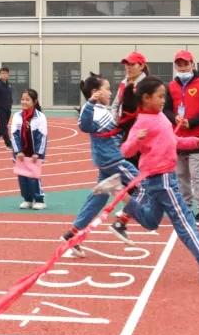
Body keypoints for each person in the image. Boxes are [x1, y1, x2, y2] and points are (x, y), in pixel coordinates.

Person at [112, 75, 199, 285]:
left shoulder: (161, 118)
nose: (163, 101)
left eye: (164, 96)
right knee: (185, 221)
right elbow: (125, 150)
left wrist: (196, 141)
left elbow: (174, 141)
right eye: (159, 96)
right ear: (145, 98)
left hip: (159, 179)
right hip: (161, 179)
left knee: (151, 221)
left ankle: (122, 196)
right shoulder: (142, 122)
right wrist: (136, 139)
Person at [59, 73, 142, 257]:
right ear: (95, 92)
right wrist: (89, 103)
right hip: (113, 161)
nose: (110, 92)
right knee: (144, 184)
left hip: (108, 162)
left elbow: (116, 130)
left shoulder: (103, 110)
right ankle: (121, 221)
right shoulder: (92, 110)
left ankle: (71, 235)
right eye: (107, 89)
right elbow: (84, 125)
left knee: (97, 200)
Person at [164, 50, 199, 226]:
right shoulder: (171, 86)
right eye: (179, 64)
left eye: (185, 64)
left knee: (197, 175)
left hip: (197, 136)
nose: (182, 67)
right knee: (181, 175)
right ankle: (186, 206)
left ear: (192, 64)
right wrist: (175, 119)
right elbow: (166, 110)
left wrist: (192, 122)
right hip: (178, 138)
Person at [10, 89, 47, 209]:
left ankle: (39, 199)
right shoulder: (17, 116)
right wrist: (18, 151)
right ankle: (27, 199)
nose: (24, 102)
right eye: (22, 99)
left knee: (33, 177)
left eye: (27, 99)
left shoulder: (40, 117)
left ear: (34, 101)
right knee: (22, 176)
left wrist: (38, 153)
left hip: (34, 153)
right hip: (21, 153)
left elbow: (43, 136)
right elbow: (14, 134)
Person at [111, 51, 149, 167]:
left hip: (140, 131)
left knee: (138, 163)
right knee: (125, 161)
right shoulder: (124, 83)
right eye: (127, 64)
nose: (128, 67)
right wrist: (115, 120)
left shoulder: (147, 84)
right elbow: (115, 104)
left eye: (132, 64)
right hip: (124, 129)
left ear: (141, 66)